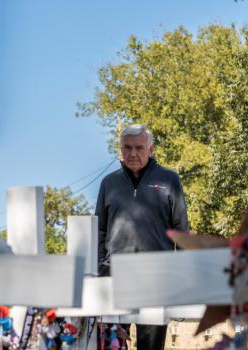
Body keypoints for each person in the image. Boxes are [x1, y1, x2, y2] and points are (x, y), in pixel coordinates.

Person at [95, 124, 189, 350]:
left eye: (139, 147)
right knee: (111, 345)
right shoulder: (109, 183)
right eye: (127, 148)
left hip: (156, 278)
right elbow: (98, 230)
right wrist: (99, 267)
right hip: (114, 278)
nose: (133, 153)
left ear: (151, 149)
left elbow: (181, 230)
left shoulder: (169, 180)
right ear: (120, 149)